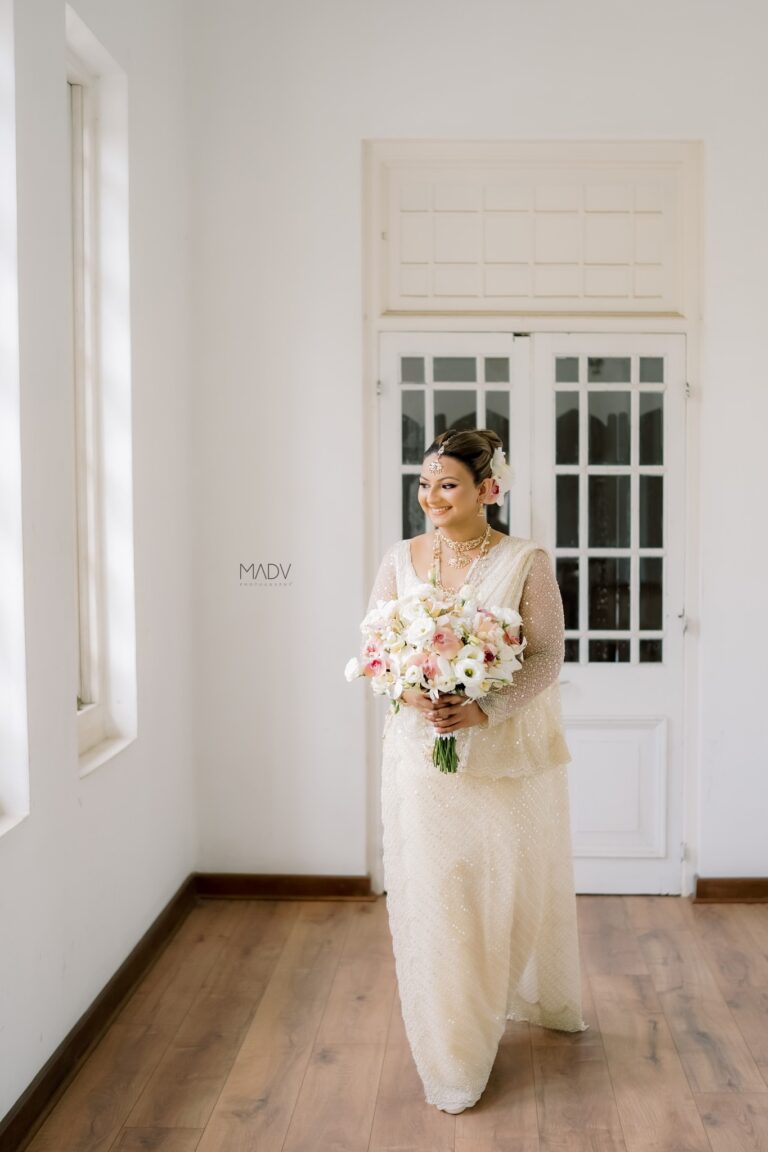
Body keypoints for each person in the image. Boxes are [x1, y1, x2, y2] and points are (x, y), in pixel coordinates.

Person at [366, 427, 588, 1115]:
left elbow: (547, 655)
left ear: (487, 489)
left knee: (500, 899)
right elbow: (375, 648)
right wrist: (412, 692)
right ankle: (455, 1055)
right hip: (422, 763)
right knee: (441, 901)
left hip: (503, 764)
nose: (431, 497)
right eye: (424, 484)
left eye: (447, 484)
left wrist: (483, 709)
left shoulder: (525, 560)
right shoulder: (399, 558)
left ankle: (494, 1003)